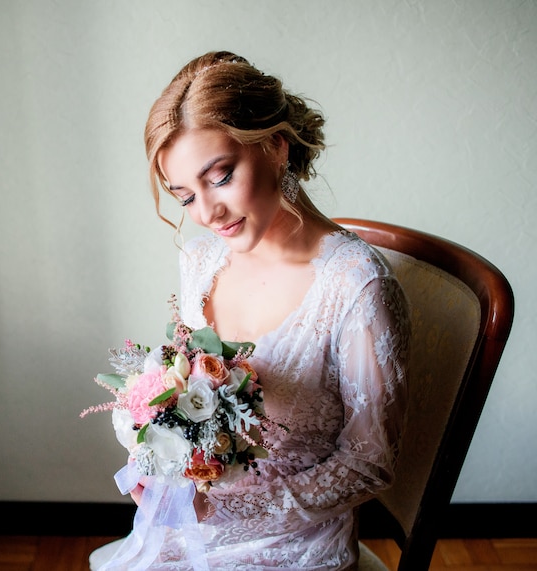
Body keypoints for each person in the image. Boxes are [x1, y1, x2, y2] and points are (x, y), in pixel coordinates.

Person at [90, 50, 410, 570]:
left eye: (219, 177)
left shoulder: (357, 286)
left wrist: (221, 507)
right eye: (185, 196)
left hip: (296, 540)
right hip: (192, 522)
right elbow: (188, 391)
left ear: (276, 146)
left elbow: (368, 465)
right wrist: (160, 453)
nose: (208, 214)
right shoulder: (202, 260)